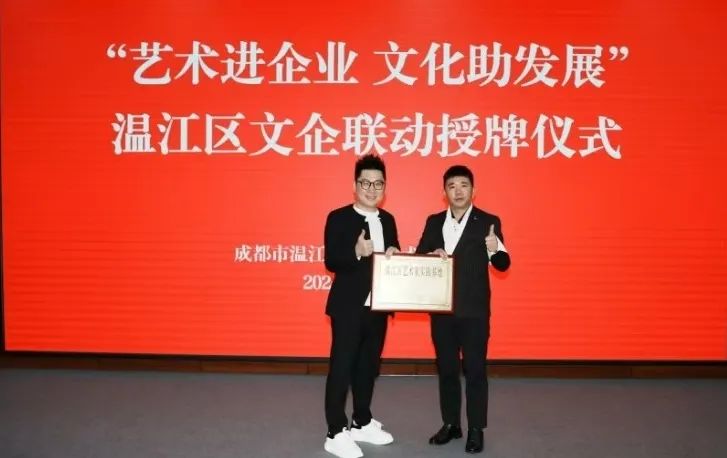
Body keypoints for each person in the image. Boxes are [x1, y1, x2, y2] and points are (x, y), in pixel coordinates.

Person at [415, 165, 510, 454]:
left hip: (474, 312)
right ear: (444, 192)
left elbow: (503, 264)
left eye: (464, 185)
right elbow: (418, 258)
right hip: (441, 311)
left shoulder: (488, 222)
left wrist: (494, 248)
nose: (458, 191)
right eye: (452, 186)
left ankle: (476, 429)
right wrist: (431, 255)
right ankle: (451, 424)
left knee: (475, 370)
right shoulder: (434, 222)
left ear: (473, 190)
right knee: (446, 369)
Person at [323, 154, 400, 458]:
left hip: (379, 306)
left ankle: (361, 421)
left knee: (368, 368)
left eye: (378, 183)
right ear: (355, 185)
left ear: (385, 187)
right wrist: (355, 252)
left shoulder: (388, 219)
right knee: (342, 369)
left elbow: (391, 253)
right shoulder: (338, 217)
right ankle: (334, 431)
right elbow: (331, 260)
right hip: (348, 308)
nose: (371, 189)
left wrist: (394, 252)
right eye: (365, 183)